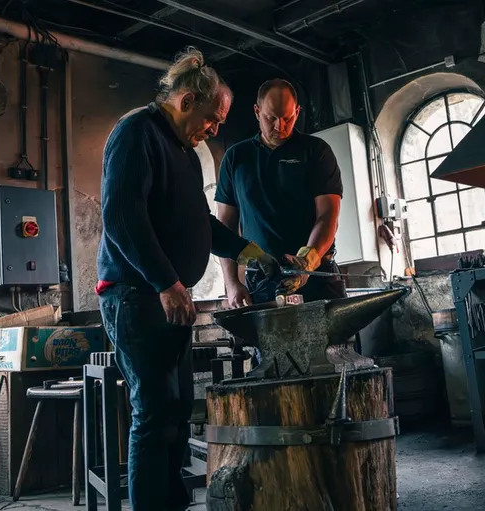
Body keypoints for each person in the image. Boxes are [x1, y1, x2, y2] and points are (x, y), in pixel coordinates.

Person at [95, 48, 278, 511]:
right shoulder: (136, 133)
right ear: (187, 100)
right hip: (137, 296)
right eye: (213, 119)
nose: (214, 129)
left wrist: (254, 253)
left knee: (176, 413)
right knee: (154, 415)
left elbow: (203, 225)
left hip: (168, 296)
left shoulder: (186, 154)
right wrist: (166, 283)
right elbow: (122, 218)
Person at [215, 78, 345, 307]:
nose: (280, 126)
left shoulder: (316, 151)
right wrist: (232, 283)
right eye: (271, 118)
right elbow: (225, 226)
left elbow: (328, 216)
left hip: (316, 275)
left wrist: (308, 261)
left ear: (298, 112)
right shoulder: (236, 158)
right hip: (262, 279)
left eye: (288, 118)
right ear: (257, 112)